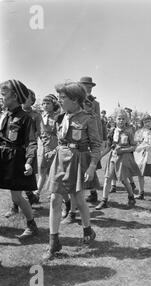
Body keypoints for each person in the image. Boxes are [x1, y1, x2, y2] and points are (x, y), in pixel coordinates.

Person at [44, 81, 100, 260]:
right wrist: (54, 151)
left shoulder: (88, 118)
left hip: (78, 160)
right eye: (59, 97)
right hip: (60, 159)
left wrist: (92, 166)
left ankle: (87, 230)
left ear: (75, 100)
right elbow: (61, 140)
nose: (59, 100)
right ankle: (54, 242)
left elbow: (96, 146)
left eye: (63, 97)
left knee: (79, 199)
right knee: (54, 199)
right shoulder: (61, 117)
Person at [0, 79, 39, 240]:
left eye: (4, 95)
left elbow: (31, 142)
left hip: (15, 161)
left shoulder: (25, 118)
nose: (1, 98)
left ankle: (32, 224)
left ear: (15, 96)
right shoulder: (4, 115)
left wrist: (29, 161)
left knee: (16, 197)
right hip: (2, 158)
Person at [95, 108, 141, 209]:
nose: (121, 121)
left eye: (123, 119)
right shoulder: (112, 131)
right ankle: (104, 201)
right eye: (119, 118)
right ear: (116, 119)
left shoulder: (129, 131)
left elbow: (134, 146)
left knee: (124, 180)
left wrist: (123, 150)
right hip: (113, 157)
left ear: (126, 120)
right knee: (107, 178)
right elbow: (109, 147)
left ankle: (131, 197)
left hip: (124, 158)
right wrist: (100, 156)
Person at [33, 94, 60, 203]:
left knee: (53, 170)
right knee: (42, 169)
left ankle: (40, 193)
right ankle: (38, 193)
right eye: (43, 104)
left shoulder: (57, 117)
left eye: (48, 103)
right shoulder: (40, 116)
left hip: (53, 143)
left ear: (53, 105)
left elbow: (59, 132)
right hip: (41, 144)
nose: (45, 105)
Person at [79, 76, 102, 203]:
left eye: (90, 87)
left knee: (90, 164)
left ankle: (93, 193)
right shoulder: (76, 100)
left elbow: (98, 121)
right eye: (86, 86)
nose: (89, 89)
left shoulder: (95, 103)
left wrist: (99, 138)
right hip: (79, 136)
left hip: (90, 137)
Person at [135, 114, 151, 200]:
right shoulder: (143, 132)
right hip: (143, 155)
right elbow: (139, 143)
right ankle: (141, 193)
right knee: (140, 174)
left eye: (149, 121)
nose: (147, 123)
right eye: (145, 122)